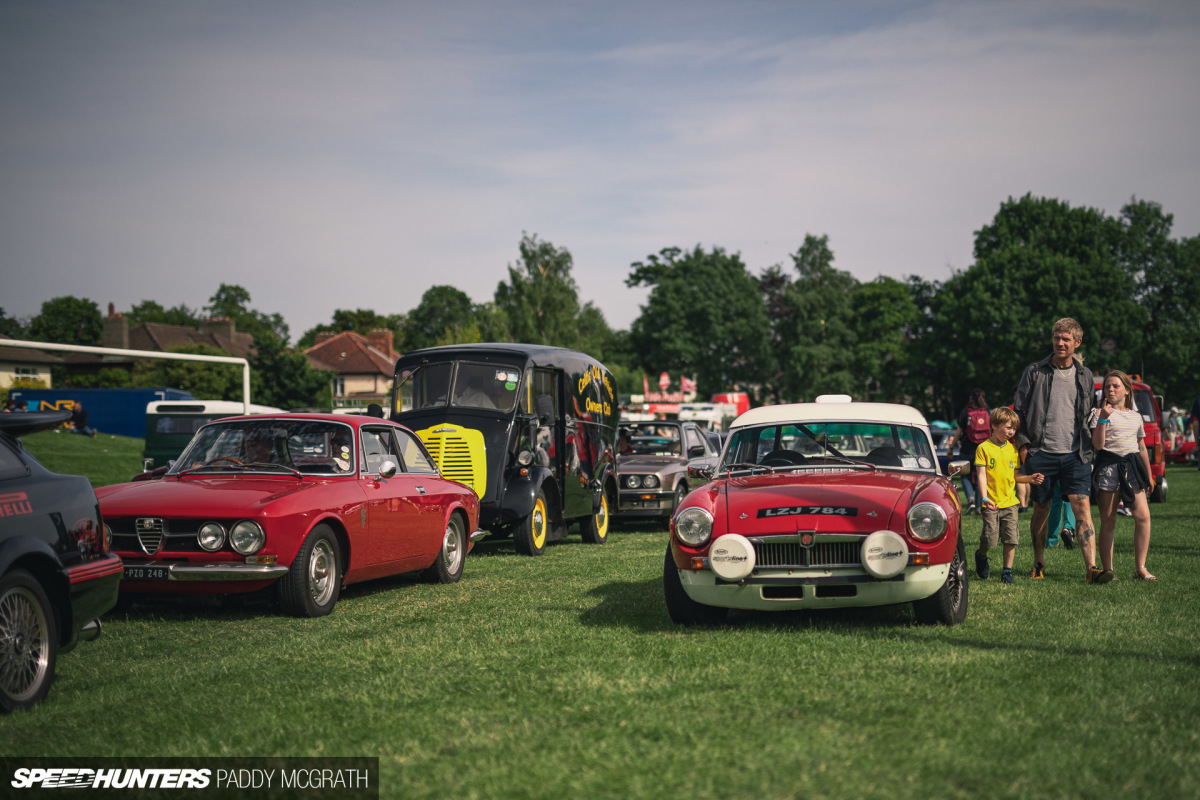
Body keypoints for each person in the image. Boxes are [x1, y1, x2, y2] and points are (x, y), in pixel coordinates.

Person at [1013, 317, 1103, 583]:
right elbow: (1018, 412)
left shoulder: (1085, 375)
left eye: (1066, 339)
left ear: (1077, 342)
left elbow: (1090, 414)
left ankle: (1092, 569)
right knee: (1042, 507)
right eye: (1056, 338)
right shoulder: (1034, 371)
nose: (1060, 343)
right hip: (1041, 453)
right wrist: (1024, 447)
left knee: (1082, 506)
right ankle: (1038, 562)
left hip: (1077, 454)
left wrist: (1092, 447)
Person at [1089, 370, 1156, 581]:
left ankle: (1140, 567)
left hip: (1132, 469)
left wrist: (1149, 475)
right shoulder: (1097, 413)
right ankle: (1108, 570)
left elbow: (1141, 447)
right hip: (1107, 469)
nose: (1110, 390)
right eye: (1107, 386)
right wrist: (1103, 419)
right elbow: (1097, 445)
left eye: (1115, 386)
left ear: (1127, 390)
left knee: (1143, 517)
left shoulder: (1136, 416)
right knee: (1108, 522)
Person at [974, 407, 1044, 584]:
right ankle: (981, 555)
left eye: (1014, 428)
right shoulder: (983, 448)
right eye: (1008, 427)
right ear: (994, 425)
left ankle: (1007, 572)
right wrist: (984, 498)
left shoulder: (1013, 450)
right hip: (991, 502)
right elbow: (981, 475)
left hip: (1010, 502)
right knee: (989, 539)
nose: (1011, 432)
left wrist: (1030, 478)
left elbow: (1016, 476)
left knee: (1010, 538)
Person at [950, 389, 990, 513]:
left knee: (965, 475)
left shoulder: (965, 412)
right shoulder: (987, 412)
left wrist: (951, 448)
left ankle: (970, 499)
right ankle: (978, 506)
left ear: (971, 398)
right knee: (979, 477)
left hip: (966, 449)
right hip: (982, 450)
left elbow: (958, 433)